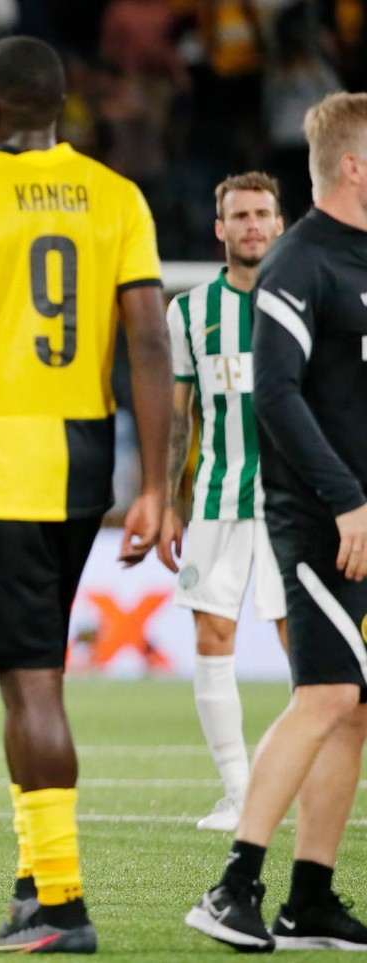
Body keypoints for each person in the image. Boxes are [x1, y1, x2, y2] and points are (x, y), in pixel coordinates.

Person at [0, 36, 170, 952]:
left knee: (32, 689)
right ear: (58, 109)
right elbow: (149, 346)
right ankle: (32, 882)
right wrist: (155, 484)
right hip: (83, 466)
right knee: (33, 678)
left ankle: (61, 906)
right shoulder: (117, 196)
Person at [186, 91, 367, 954]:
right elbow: (277, 395)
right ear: (355, 166)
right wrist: (346, 498)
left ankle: (309, 898)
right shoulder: (303, 263)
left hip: (358, 518)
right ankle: (232, 886)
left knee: (355, 706)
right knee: (325, 692)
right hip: (318, 520)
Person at [155, 172, 288, 833]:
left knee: (310, 651)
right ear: (220, 228)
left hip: (297, 505)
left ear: (280, 223)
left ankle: (295, 780)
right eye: (240, 215)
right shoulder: (188, 312)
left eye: (262, 213)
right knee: (212, 638)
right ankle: (240, 793)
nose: (252, 225)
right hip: (215, 501)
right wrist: (167, 500)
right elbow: (180, 417)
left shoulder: (306, 300)